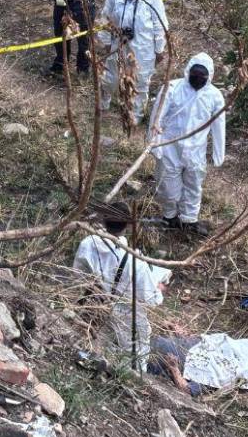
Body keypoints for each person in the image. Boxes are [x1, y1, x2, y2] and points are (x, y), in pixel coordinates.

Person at [72, 203, 172, 370]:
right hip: (127, 314)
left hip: (95, 305)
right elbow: (151, 299)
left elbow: (78, 275)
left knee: (100, 343)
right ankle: (127, 379)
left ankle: (98, 369)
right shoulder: (135, 261)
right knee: (134, 355)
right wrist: (159, 289)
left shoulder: (88, 243)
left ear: (103, 220)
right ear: (127, 225)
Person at [147, 53, 226, 236]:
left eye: (202, 76)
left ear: (209, 76)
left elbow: (219, 125)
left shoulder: (214, 96)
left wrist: (218, 153)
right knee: (167, 185)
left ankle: (189, 220)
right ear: (188, 72)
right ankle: (169, 216)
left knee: (193, 185)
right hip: (169, 146)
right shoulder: (172, 88)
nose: (198, 79)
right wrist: (154, 143)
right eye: (195, 75)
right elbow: (156, 117)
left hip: (196, 149)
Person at [99, 0, 167, 123]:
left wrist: (159, 49)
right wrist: (106, 41)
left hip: (143, 49)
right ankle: (102, 104)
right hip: (118, 44)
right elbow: (105, 18)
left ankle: (135, 116)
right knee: (111, 77)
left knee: (141, 82)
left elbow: (160, 26)